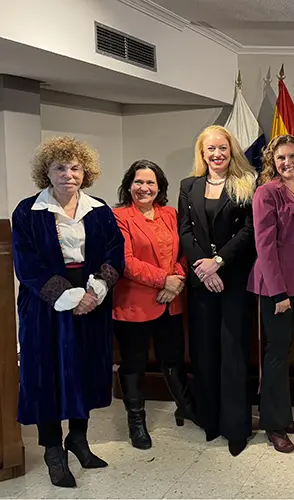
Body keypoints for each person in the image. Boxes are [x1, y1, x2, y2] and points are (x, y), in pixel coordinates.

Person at [12, 137, 124, 487]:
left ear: (85, 171)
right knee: (47, 375)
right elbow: (27, 265)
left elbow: (114, 252)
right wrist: (70, 297)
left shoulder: (99, 209)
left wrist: (95, 291)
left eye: (75, 167)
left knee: (85, 369)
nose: (68, 174)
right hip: (46, 303)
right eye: (60, 167)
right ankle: (52, 450)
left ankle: (78, 439)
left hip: (92, 297)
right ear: (46, 171)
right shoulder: (27, 211)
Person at [178, 125, 257, 457]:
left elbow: (250, 232)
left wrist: (219, 261)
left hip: (234, 280)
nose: (217, 154)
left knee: (234, 353)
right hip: (202, 283)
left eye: (222, 148)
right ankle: (210, 421)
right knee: (206, 353)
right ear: (202, 152)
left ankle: (236, 427)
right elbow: (184, 230)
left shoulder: (247, 183)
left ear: (231, 149)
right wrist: (203, 266)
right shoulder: (188, 186)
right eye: (210, 149)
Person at [113, 160, 196, 451]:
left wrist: (178, 279)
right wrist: (165, 280)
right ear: (129, 185)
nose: (144, 188)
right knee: (134, 363)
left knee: (173, 358)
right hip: (133, 303)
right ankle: (136, 422)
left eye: (150, 183)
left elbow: (184, 252)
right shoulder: (119, 216)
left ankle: (185, 407)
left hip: (169, 302)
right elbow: (125, 262)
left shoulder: (171, 214)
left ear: (159, 187)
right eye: (138, 182)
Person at [249, 135, 294, 453]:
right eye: (280, 158)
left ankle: (284, 415)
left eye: (292, 156)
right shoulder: (267, 193)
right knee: (276, 357)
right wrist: (278, 293)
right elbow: (264, 246)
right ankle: (274, 425)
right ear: (272, 162)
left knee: (285, 352)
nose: (286, 163)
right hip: (276, 289)